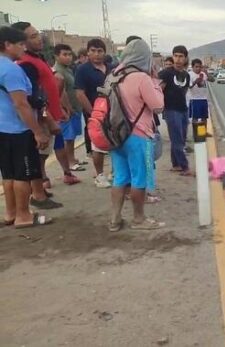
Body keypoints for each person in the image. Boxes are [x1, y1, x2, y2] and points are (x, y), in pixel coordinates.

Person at [108, 38, 165, 232]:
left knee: (120, 177)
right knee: (139, 178)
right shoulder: (142, 78)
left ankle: (115, 220)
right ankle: (138, 219)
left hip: (115, 135)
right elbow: (158, 107)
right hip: (137, 135)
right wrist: (156, 83)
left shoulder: (113, 75)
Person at [0, 26, 53, 228]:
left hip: (2, 130)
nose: (24, 48)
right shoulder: (12, 70)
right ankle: (24, 216)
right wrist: (37, 131)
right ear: (7, 45)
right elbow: (21, 104)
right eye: (21, 44)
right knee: (23, 174)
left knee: (8, 174)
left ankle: (11, 213)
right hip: (17, 130)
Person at [12, 22, 64, 209]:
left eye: (38, 34)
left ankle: (40, 187)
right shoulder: (26, 64)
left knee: (41, 154)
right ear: (21, 42)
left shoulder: (37, 59)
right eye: (32, 36)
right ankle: (38, 193)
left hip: (47, 113)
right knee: (37, 154)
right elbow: (32, 97)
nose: (39, 38)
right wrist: (48, 118)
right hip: (40, 118)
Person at [75, 38, 112, 188]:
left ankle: (115, 172)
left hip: (113, 113)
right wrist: (93, 113)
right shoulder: (83, 70)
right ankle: (99, 175)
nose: (96, 54)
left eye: (100, 51)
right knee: (98, 146)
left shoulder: (111, 68)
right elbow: (79, 93)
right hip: (95, 114)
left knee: (115, 142)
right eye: (93, 51)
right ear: (88, 52)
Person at [53, 44, 85, 184]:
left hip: (75, 108)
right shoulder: (58, 72)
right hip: (67, 111)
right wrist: (67, 108)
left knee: (72, 137)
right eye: (64, 54)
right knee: (68, 136)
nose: (68, 57)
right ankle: (69, 163)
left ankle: (72, 158)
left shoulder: (68, 70)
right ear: (56, 56)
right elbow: (61, 92)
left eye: (69, 54)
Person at [158, 45, 193, 176]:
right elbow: (157, 90)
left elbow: (183, 92)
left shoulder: (186, 75)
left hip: (183, 110)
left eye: (181, 56)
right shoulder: (166, 73)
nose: (178, 59)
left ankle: (176, 164)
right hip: (171, 110)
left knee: (181, 139)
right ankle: (185, 167)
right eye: (176, 56)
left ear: (185, 58)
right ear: (173, 57)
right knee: (177, 139)